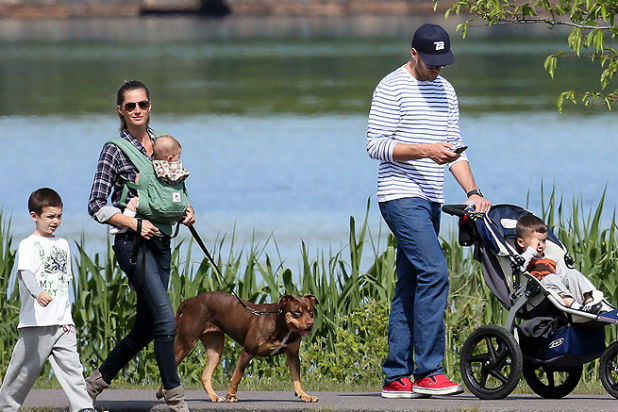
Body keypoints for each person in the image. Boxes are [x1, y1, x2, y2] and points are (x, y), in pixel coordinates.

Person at [366, 23, 491, 398]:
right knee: (435, 272)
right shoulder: (391, 87)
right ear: (414, 53)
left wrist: (473, 191)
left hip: (431, 198)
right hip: (399, 196)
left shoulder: (446, 90)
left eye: (443, 63)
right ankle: (429, 372)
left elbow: (454, 148)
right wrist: (425, 149)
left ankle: (396, 377)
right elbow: (375, 145)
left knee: (410, 284)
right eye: (431, 62)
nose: (437, 69)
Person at [86, 80, 195, 412]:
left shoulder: (164, 145)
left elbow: (173, 194)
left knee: (146, 326)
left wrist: (187, 212)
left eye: (143, 105)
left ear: (150, 106)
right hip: (131, 244)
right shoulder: (114, 150)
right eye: (130, 106)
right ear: (120, 110)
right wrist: (133, 222)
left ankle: (91, 384)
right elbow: (95, 205)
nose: (137, 111)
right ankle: (175, 398)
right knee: (165, 319)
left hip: (162, 244)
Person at [0, 188, 95, 412]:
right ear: (35, 217)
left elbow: (64, 281)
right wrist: (37, 293)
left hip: (62, 321)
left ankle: (83, 408)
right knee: (22, 372)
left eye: (59, 216)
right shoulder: (28, 244)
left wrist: (67, 315)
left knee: (73, 368)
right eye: (50, 217)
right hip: (36, 322)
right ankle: (6, 407)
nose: (56, 221)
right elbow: (26, 273)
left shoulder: (62, 244)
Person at [515, 214, 607, 314]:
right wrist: (531, 251)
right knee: (549, 278)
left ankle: (589, 301)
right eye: (537, 242)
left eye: (544, 241)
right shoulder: (524, 259)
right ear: (521, 242)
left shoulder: (551, 258)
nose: (541, 245)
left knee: (573, 274)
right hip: (539, 292)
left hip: (557, 288)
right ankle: (574, 306)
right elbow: (520, 268)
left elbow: (561, 275)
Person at [109, 134, 190, 235]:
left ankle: (123, 226)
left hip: (155, 207)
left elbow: (139, 181)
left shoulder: (151, 168)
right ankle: (171, 220)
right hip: (174, 208)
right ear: (170, 158)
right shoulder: (179, 171)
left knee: (134, 202)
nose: (178, 159)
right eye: (178, 156)